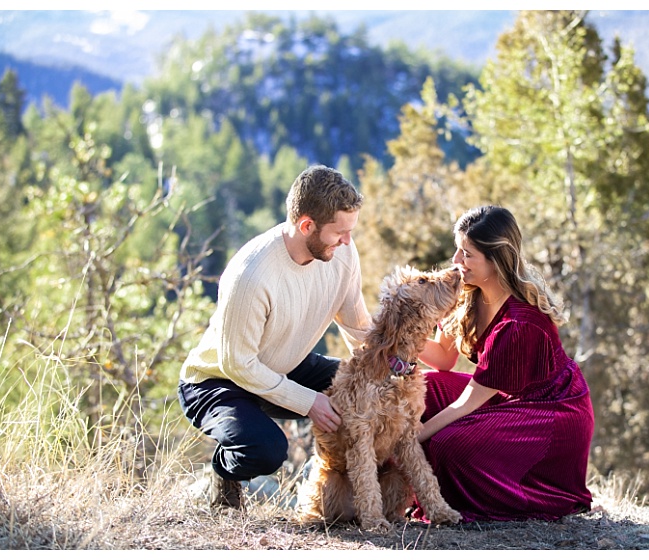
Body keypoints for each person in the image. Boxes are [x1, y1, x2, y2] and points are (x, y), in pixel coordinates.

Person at [177, 165, 373, 509]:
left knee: (363, 390)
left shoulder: (343, 254)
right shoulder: (251, 275)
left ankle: (345, 496)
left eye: (351, 231)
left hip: (283, 364)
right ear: (306, 225)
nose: (347, 242)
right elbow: (238, 364)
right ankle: (221, 477)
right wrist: (308, 401)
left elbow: (359, 329)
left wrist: (390, 373)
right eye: (339, 233)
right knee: (265, 451)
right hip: (219, 380)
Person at [415, 205, 594, 522]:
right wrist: (392, 341)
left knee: (445, 445)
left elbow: (467, 403)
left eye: (467, 254)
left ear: (496, 260)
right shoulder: (469, 291)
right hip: (507, 399)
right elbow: (443, 358)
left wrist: (412, 437)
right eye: (458, 250)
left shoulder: (518, 324)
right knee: (424, 388)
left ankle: (519, 497)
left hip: (552, 412)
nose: (457, 262)